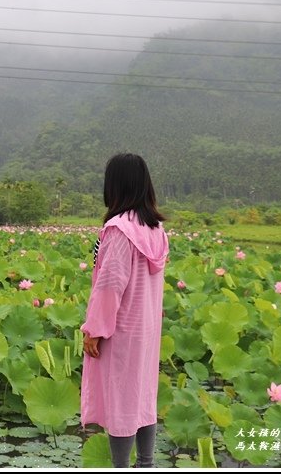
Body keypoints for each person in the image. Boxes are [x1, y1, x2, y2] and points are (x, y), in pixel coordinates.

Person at [80, 153, 169, 468]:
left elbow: (110, 286)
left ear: (114, 185)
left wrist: (95, 330)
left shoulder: (120, 229)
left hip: (121, 330)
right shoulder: (155, 228)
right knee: (142, 398)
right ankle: (146, 463)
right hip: (146, 330)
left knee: (121, 403)